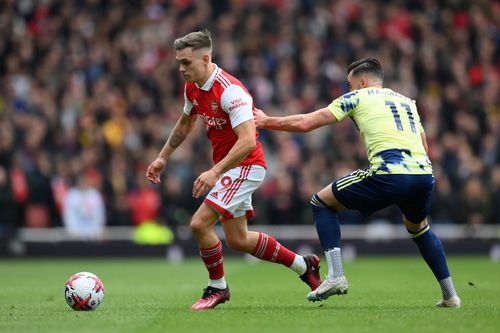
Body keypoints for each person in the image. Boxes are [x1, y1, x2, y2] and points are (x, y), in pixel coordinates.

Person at [253, 58, 461, 308]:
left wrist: (267, 121)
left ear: (362, 82)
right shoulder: (407, 102)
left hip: (389, 173)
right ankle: (451, 295)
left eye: (350, 84)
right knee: (419, 228)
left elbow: (307, 123)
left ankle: (336, 275)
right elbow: (424, 145)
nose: (349, 90)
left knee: (321, 202)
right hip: (423, 175)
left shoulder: (357, 97)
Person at [145, 30, 321, 310]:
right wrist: (162, 157)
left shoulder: (230, 91)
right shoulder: (192, 87)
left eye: (186, 62)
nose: (181, 68)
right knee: (239, 240)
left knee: (199, 224)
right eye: (179, 62)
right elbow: (184, 123)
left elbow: (249, 139)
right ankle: (304, 265)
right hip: (231, 168)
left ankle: (218, 288)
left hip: (246, 165)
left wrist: (215, 172)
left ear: (205, 58)